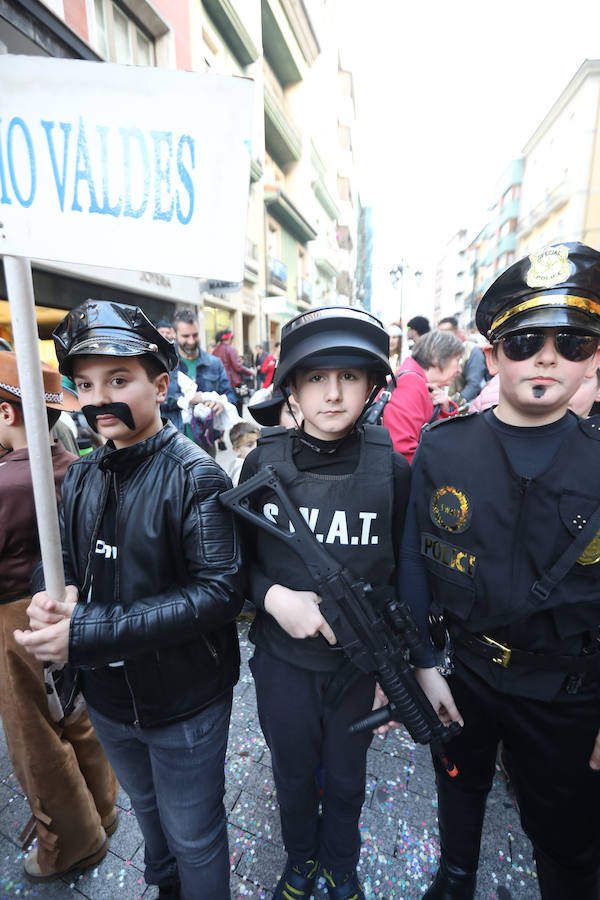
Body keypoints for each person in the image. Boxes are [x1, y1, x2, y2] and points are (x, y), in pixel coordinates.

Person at [15, 300, 244, 900]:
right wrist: (49, 590)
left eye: (118, 380)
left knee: (195, 836)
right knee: (147, 815)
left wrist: (84, 631)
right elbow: (56, 552)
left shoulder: (196, 476)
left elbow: (219, 594)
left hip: (185, 704)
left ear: (160, 385)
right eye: (84, 384)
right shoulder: (84, 474)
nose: (98, 399)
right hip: (111, 702)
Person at [399, 242, 600, 900]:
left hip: (569, 693)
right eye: (524, 341)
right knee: (459, 788)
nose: (546, 357)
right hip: (468, 675)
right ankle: (454, 879)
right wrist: (426, 662)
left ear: (594, 357)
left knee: (565, 839)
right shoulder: (444, 446)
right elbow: (414, 563)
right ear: (492, 357)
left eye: (571, 343)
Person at [238, 306, 411, 900]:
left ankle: (341, 864)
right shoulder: (263, 463)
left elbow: (407, 577)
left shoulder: (394, 469)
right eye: (315, 377)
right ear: (291, 386)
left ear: (373, 385)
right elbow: (233, 565)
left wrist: (401, 665)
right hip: (284, 663)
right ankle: (300, 860)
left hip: (359, 673)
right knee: (291, 776)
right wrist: (273, 596)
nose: (333, 394)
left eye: (350, 377)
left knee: (346, 780)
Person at [0, 351, 118, 883]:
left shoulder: (5, 484)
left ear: (7, 415)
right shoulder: (79, 468)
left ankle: (71, 843)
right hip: (71, 610)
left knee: (34, 735)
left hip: (13, 621)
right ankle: (104, 808)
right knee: (75, 712)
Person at [161, 308, 235, 458]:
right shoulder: (163, 363)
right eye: (185, 336)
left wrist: (220, 404)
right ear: (174, 333)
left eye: (195, 335)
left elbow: (230, 395)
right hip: (171, 443)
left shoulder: (214, 363)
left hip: (205, 443)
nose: (191, 341)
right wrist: (186, 400)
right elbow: (154, 399)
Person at [382, 330, 463, 463]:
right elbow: (402, 451)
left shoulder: (416, 382)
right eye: (457, 360)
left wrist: (443, 410)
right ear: (437, 356)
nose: (459, 369)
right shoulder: (410, 383)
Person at [437, 316, 489, 404]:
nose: (441, 337)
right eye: (439, 333)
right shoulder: (439, 352)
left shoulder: (471, 350)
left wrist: (455, 405)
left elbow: (473, 385)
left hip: (465, 407)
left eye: (445, 333)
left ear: (455, 332)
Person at [212, 329, 255, 415]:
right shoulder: (231, 348)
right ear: (230, 338)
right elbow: (238, 367)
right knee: (237, 413)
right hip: (232, 386)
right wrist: (250, 372)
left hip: (219, 386)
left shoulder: (215, 351)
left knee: (224, 413)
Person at [227, 420, 260, 486]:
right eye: (249, 445)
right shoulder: (241, 468)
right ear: (237, 450)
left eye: (258, 442)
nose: (256, 447)